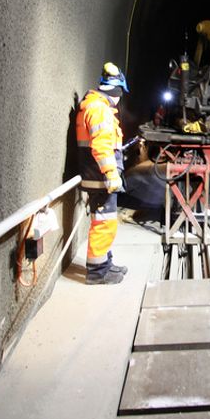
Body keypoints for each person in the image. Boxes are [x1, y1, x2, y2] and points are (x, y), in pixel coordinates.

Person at [76, 62, 130, 285]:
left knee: (105, 221)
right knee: (104, 222)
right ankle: (98, 271)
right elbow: (101, 147)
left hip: (97, 175)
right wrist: (111, 173)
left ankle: (105, 262)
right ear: (117, 91)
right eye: (120, 94)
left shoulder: (97, 107)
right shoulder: (99, 110)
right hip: (100, 176)